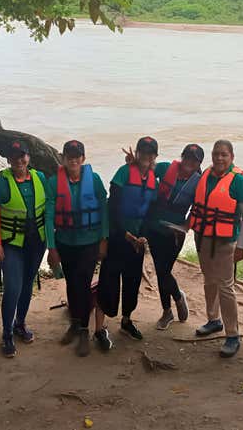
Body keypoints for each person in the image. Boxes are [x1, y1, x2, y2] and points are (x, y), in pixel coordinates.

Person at [188, 139, 243, 358]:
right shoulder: (206, 174)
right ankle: (213, 319)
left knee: (225, 286)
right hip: (204, 237)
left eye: (224, 154)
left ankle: (233, 335)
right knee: (209, 280)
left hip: (226, 241)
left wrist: (241, 246)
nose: (219, 158)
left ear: (231, 157)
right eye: (216, 154)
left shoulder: (238, 180)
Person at [45, 140, 110, 356]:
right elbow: (49, 216)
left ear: (83, 158)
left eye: (77, 156)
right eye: (69, 156)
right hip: (65, 242)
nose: (73, 160)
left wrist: (104, 238)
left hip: (89, 242)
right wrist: (51, 247)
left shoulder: (95, 179)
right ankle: (75, 322)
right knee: (72, 284)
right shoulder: (54, 183)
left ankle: (83, 330)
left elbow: (104, 210)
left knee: (82, 283)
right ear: (63, 158)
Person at [0, 141, 48, 358]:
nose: (19, 160)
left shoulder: (40, 178)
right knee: (13, 288)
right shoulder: (3, 183)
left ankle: (20, 323)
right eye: (14, 157)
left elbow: (50, 207)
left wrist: (52, 241)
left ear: (28, 157)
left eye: (22, 156)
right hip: (12, 244)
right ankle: (6, 333)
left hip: (36, 243)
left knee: (26, 285)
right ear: (9, 160)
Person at [98, 136, 159, 342]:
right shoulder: (123, 173)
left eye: (150, 153)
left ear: (155, 156)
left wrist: (143, 236)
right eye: (143, 151)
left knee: (132, 281)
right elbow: (112, 207)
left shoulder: (153, 179)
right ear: (138, 153)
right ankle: (99, 328)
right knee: (109, 280)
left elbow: (151, 212)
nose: (146, 156)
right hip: (118, 236)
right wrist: (124, 233)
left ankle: (126, 320)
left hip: (137, 241)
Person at [141, 144, 204, 330]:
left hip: (174, 233)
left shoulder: (199, 182)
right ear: (182, 156)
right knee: (161, 270)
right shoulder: (165, 168)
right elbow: (144, 171)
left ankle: (176, 297)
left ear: (199, 163)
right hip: (154, 228)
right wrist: (134, 162)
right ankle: (168, 310)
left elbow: (198, 208)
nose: (189, 162)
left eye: (194, 160)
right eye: (187, 157)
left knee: (164, 271)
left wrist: (186, 226)